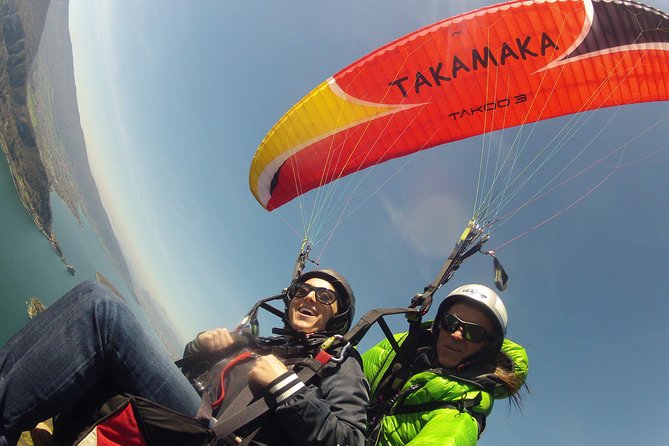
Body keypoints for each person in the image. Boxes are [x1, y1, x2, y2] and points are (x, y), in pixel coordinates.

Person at [0, 269, 369, 446]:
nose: (309, 298)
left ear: (336, 316)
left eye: (324, 297)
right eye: (304, 290)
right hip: (194, 421)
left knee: (102, 311)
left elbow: (349, 439)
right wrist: (200, 350)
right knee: (94, 322)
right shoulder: (262, 346)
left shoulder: (339, 363)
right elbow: (192, 378)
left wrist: (287, 387)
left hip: (218, 439)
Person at [362, 284, 529, 446]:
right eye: (451, 322)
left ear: (486, 348)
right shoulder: (399, 351)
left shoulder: (458, 418)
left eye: (474, 332)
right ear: (439, 324)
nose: (456, 335)